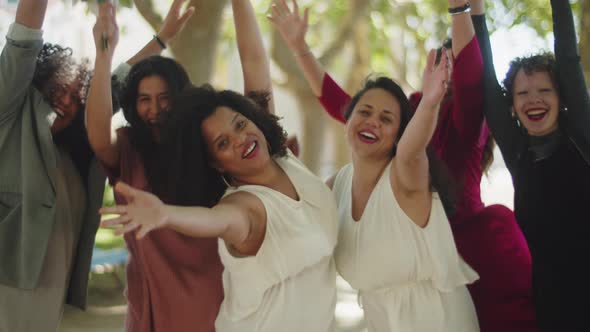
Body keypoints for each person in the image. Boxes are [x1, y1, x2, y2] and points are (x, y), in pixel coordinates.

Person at [270, 0, 537, 330]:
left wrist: (459, 12)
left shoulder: (466, 119)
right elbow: (346, 107)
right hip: (403, 255)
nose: (448, 73)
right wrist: (301, 50)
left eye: (456, 65)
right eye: (442, 63)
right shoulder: (401, 120)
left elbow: (469, 82)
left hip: (465, 251)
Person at [86, 1, 281, 331]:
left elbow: (258, 85)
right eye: (144, 100)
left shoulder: (207, 142)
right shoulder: (128, 147)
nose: (155, 109)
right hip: (148, 302)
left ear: (180, 96)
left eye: (164, 98)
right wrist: (104, 55)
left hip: (211, 299)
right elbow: (96, 129)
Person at [100, 80, 339, 331]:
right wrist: (165, 215)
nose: (240, 139)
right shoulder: (245, 205)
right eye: (222, 143)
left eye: (240, 124)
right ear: (215, 164)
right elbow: (218, 220)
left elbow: (256, 64)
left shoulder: (284, 160)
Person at [478, 1, 590, 330]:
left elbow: (568, 61)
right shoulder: (517, 150)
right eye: (522, 93)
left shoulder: (581, 136)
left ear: (563, 98)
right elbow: (486, 83)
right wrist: (474, 15)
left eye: (545, 90)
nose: (534, 99)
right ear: (511, 106)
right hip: (545, 301)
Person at [0, 0, 107, 330]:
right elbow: (23, 40)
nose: (65, 100)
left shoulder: (70, 155)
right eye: (59, 88)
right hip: (9, 285)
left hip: (50, 293)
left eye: (77, 97)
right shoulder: (10, 117)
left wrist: (163, 37)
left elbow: (113, 83)